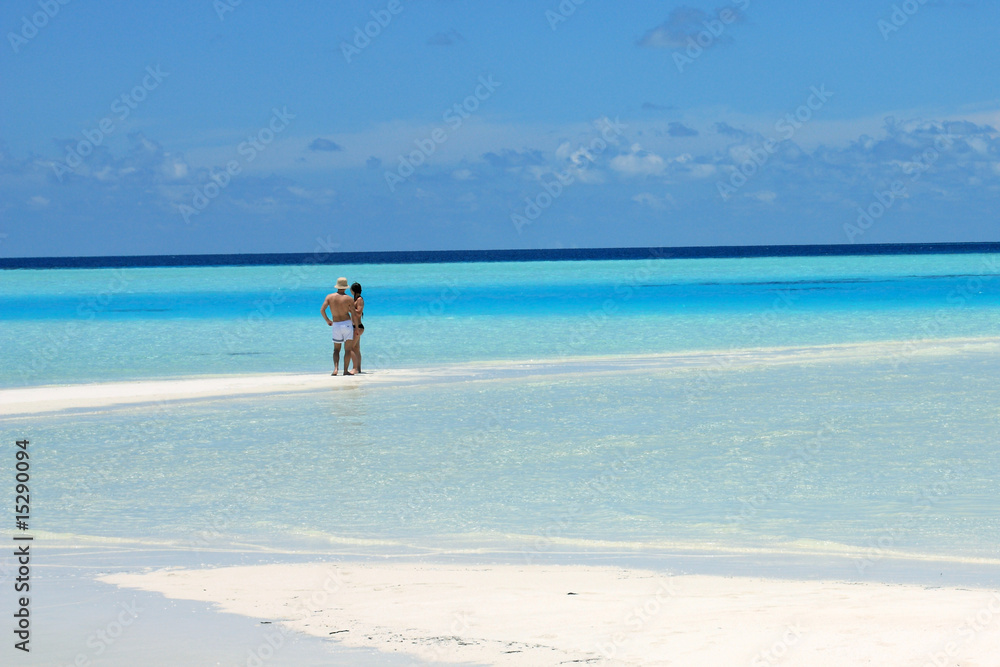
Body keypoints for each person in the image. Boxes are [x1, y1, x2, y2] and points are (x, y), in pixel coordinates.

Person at [321, 277, 356, 375]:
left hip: (336, 324)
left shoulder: (329, 297)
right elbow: (353, 313)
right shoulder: (349, 299)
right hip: (347, 324)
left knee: (336, 349)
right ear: (345, 287)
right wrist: (355, 326)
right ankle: (345, 371)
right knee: (347, 349)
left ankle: (335, 369)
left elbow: (322, 310)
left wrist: (328, 320)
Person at [347, 282, 365, 374]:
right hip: (354, 326)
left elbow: (359, 312)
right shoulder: (355, 299)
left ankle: (355, 368)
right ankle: (358, 369)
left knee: (350, 348)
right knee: (356, 349)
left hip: (357, 327)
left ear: (353, 290)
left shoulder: (359, 300)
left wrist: (350, 309)